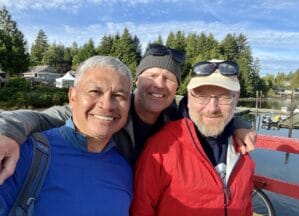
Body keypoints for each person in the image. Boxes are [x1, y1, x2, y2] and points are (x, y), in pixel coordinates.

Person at [0, 44, 256, 184]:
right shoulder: (111, 109)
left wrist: (239, 124)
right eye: (151, 76)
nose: (159, 84)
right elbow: (42, 117)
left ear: (176, 88)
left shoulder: (177, 113)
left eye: (168, 78)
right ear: (136, 82)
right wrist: (7, 132)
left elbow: (212, 109)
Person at [0, 56, 133, 216]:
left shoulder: (124, 170)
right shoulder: (26, 154)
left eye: (119, 95)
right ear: (72, 96)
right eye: (95, 92)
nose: (107, 105)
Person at [129, 59, 255, 216]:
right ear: (189, 98)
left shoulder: (243, 149)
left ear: (236, 98)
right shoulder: (162, 148)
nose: (212, 108)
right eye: (201, 96)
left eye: (224, 97)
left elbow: (246, 211)